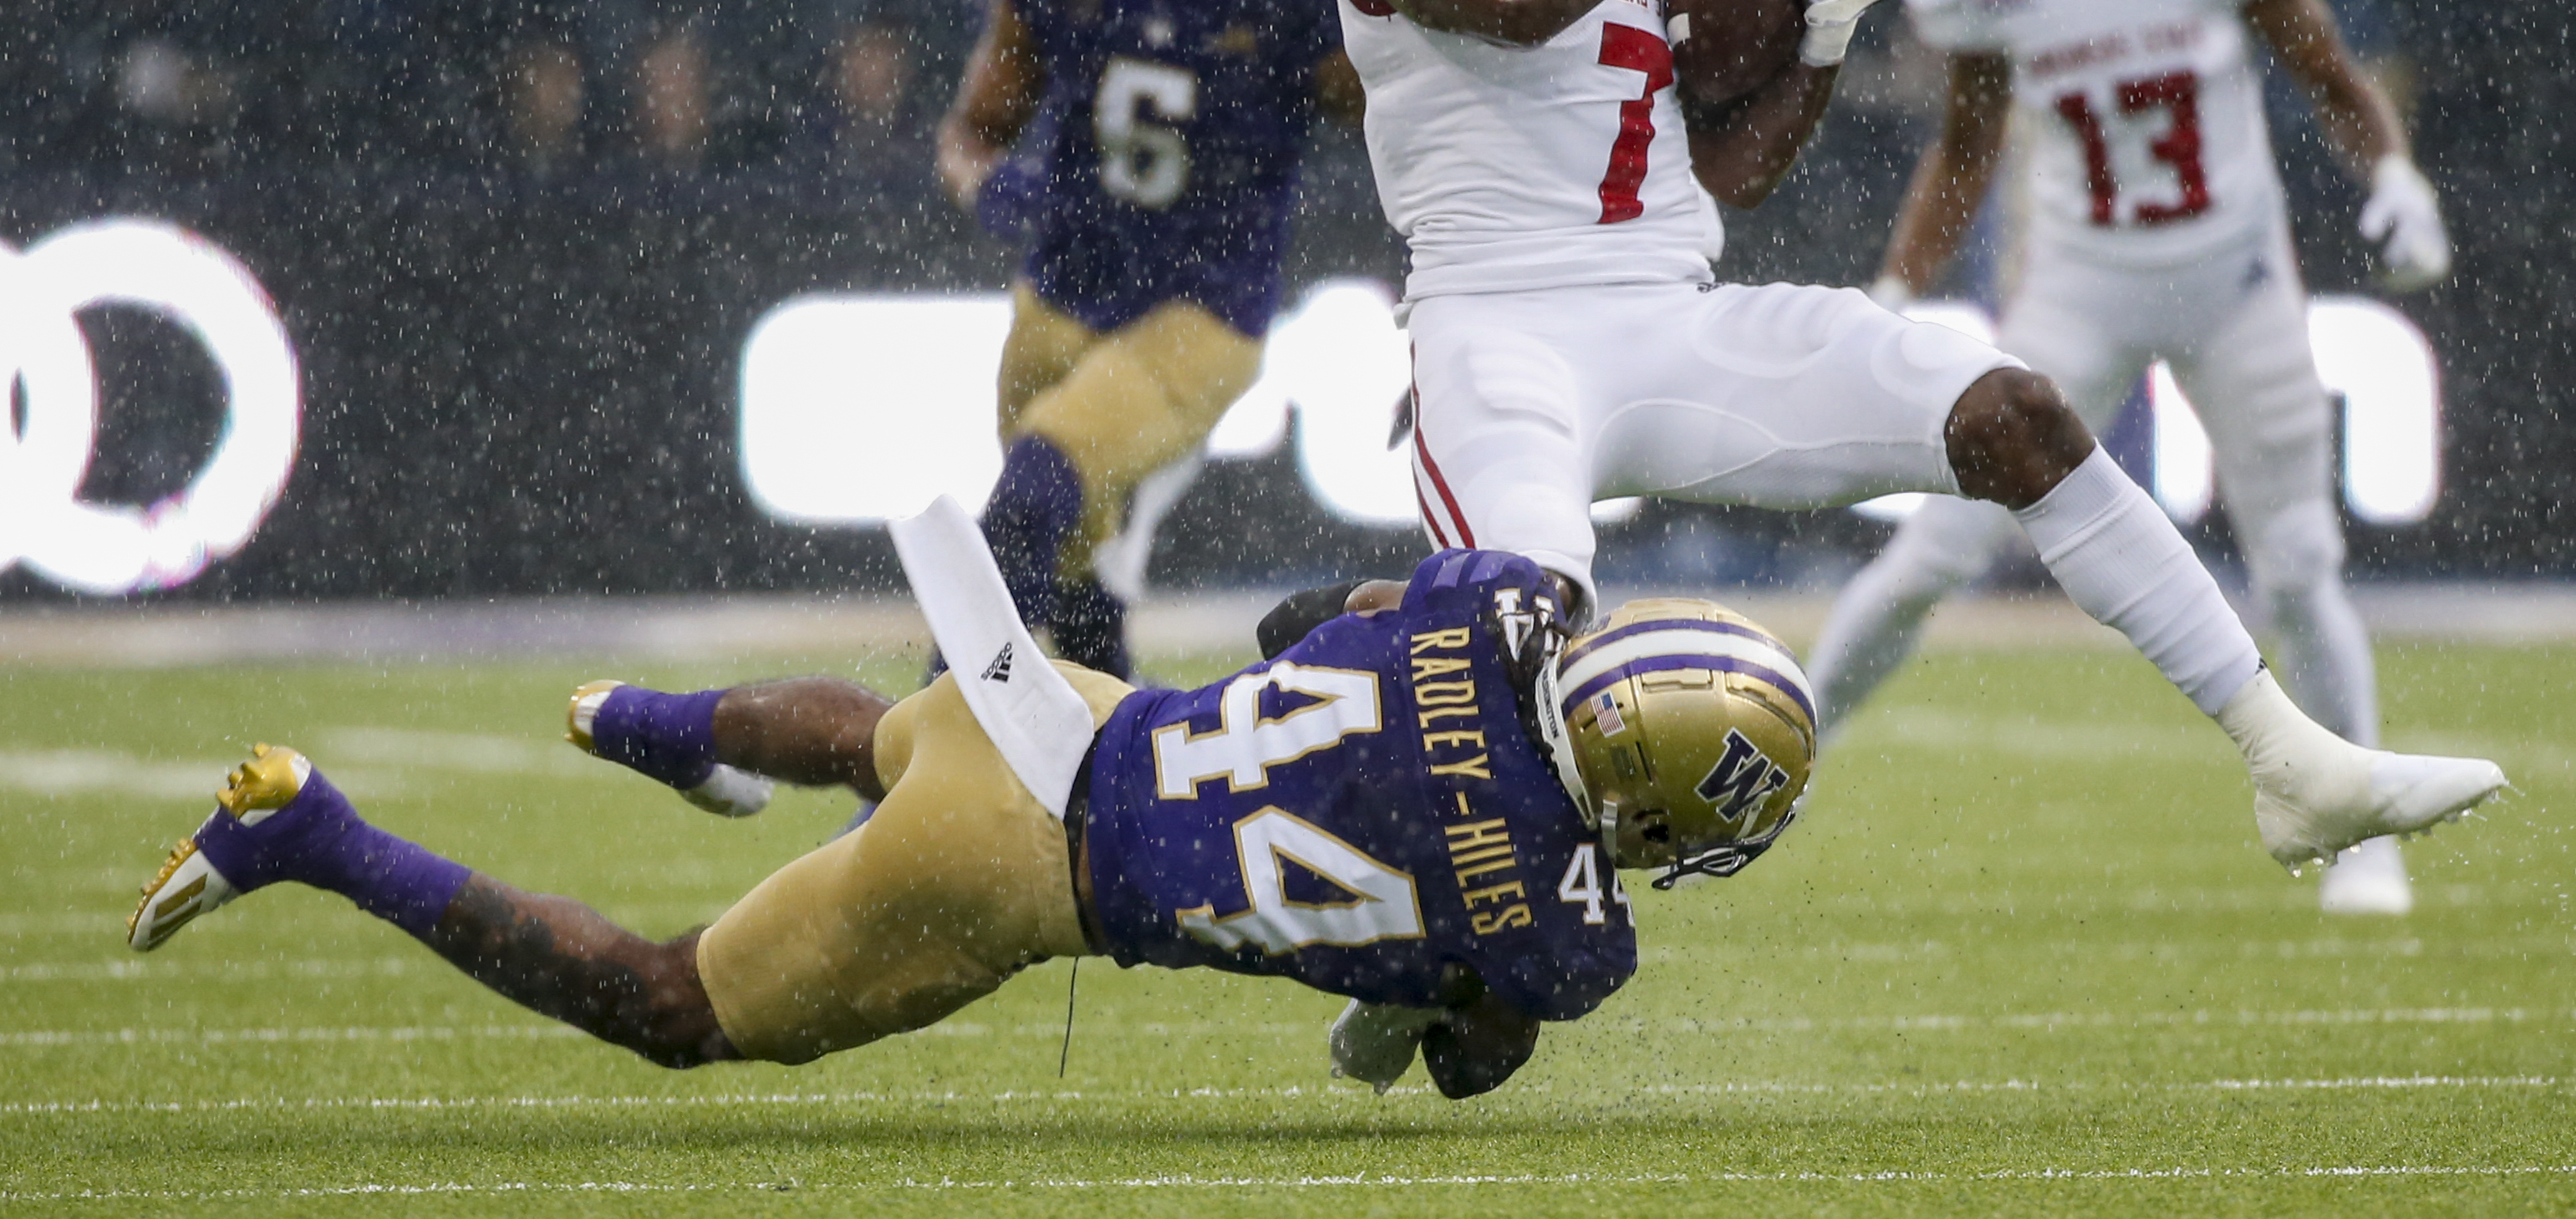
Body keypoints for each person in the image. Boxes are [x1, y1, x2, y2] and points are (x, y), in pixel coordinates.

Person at [1275, 0, 2501, 878]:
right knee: (1516, 644)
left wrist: (1820, 35)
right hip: (1499, 333)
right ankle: (1368, 743)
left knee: (2009, 410)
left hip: (1670, 317)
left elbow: (1733, 175)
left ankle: (2291, 760)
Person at [128, 542, 1813, 1100]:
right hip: (1020, 875)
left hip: (1067, 710)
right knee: (668, 1006)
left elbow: (1302, 619)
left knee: (878, 734)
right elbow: (1459, 1056)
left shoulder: (1495, 608)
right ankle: (311, 831)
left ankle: (642, 721)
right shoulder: (1563, 937)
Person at [1801, 0, 2456, 915]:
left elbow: (2325, 68)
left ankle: (2364, 835)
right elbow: (1968, 144)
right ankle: (1794, 743)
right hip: (2078, 288)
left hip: (2233, 274)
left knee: (2296, 564)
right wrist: (1890, 289)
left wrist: (2394, 173)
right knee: (1934, 544)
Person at [936, 0, 1364, 678]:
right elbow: (974, 128)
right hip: (1059, 285)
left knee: (1033, 496)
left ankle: (911, 764)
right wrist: (986, 188)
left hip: (1201, 311)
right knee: (1070, 556)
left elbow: (1407, 132)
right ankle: (1115, 786)